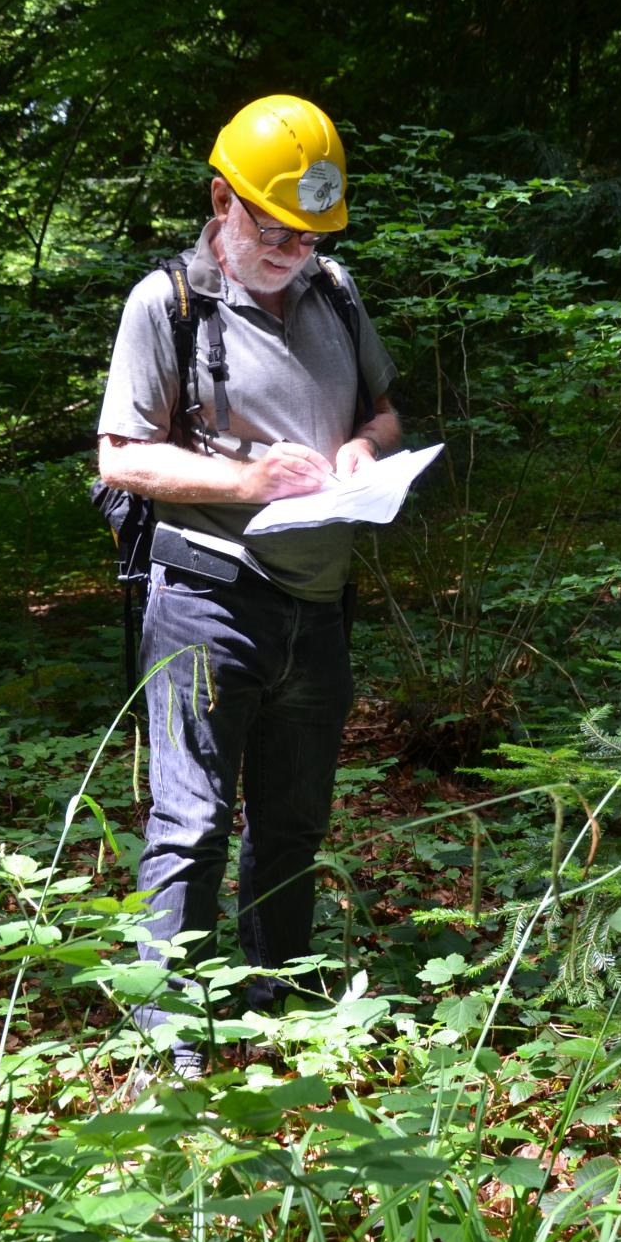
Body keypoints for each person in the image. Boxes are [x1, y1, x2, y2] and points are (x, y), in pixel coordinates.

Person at [96, 95, 400, 1075]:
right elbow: (122, 457)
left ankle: (277, 1015)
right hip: (204, 597)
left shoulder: (336, 293)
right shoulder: (166, 305)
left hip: (319, 605)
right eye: (276, 231)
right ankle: (170, 1048)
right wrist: (246, 481)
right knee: (189, 826)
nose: (293, 251)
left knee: (294, 826)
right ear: (221, 199)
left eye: (311, 234)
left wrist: (360, 447)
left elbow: (387, 412)